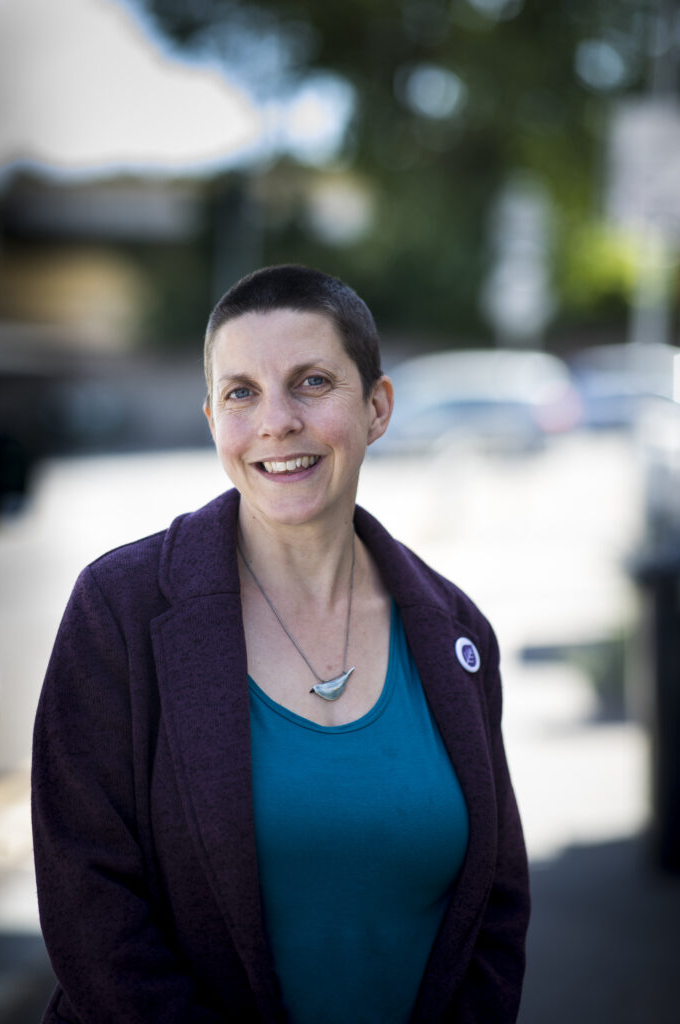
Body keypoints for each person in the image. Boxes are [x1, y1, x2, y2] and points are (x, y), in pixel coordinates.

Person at [32, 264, 530, 1024]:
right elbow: (90, 909)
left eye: (311, 382)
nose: (275, 422)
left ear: (377, 406)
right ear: (211, 420)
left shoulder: (456, 632)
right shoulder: (118, 610)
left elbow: (495, 909)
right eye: (241, 393)